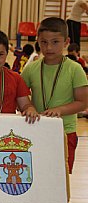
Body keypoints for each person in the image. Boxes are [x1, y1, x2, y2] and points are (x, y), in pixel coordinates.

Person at [22, 18, 88, 173]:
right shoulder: (31, 69)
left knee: (61, 177)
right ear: (37, 41)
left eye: (55, 42)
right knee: (36, 174)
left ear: (66, 42)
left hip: (65, 131)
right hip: (36, 130)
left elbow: (83, 103)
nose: (49, 47)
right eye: (44, 42)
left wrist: (59, 110)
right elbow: (21, 96)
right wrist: (28, 107)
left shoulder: (75, 69)